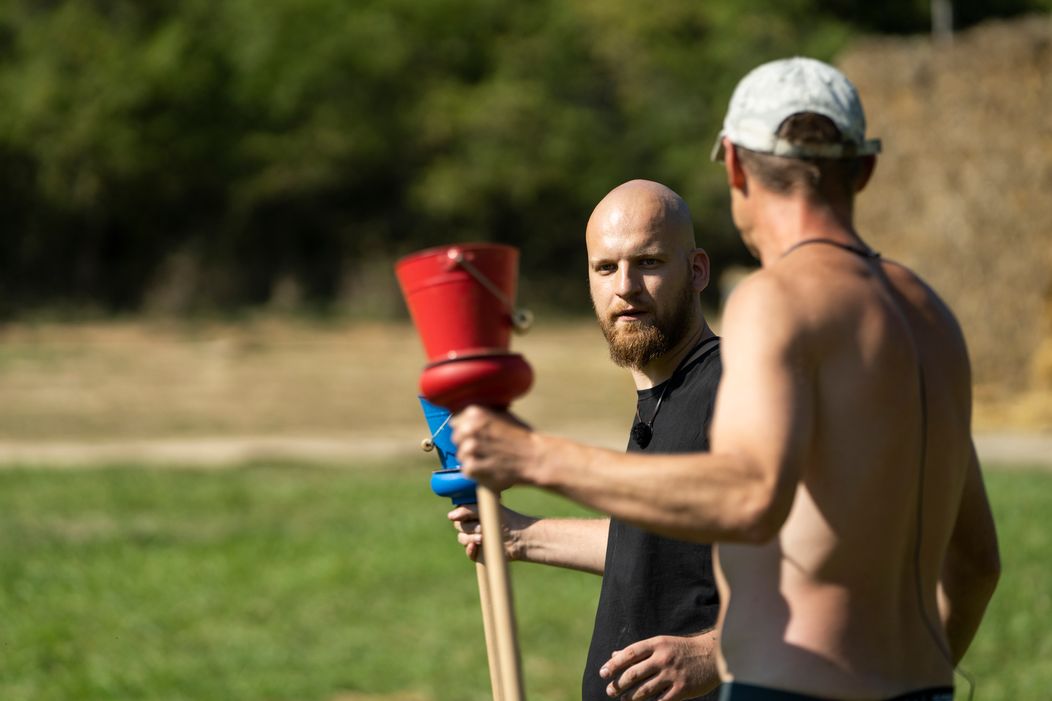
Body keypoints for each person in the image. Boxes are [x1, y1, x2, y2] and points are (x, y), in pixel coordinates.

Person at [452, 57, 1000, 701]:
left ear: (735, 166)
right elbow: (975, 563)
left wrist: (534, 454)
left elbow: (750, 494)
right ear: (865, 170)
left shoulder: (776, 299)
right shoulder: (927, 312)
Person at [449, 179, 724, 700]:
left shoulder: (739, 388)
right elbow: (660, 546)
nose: (625, 286)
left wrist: (714, 653)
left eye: (648, 262)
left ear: (697, 270)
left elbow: (832, 563)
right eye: (606, 267)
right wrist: (519, 537)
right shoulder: (663, 397)